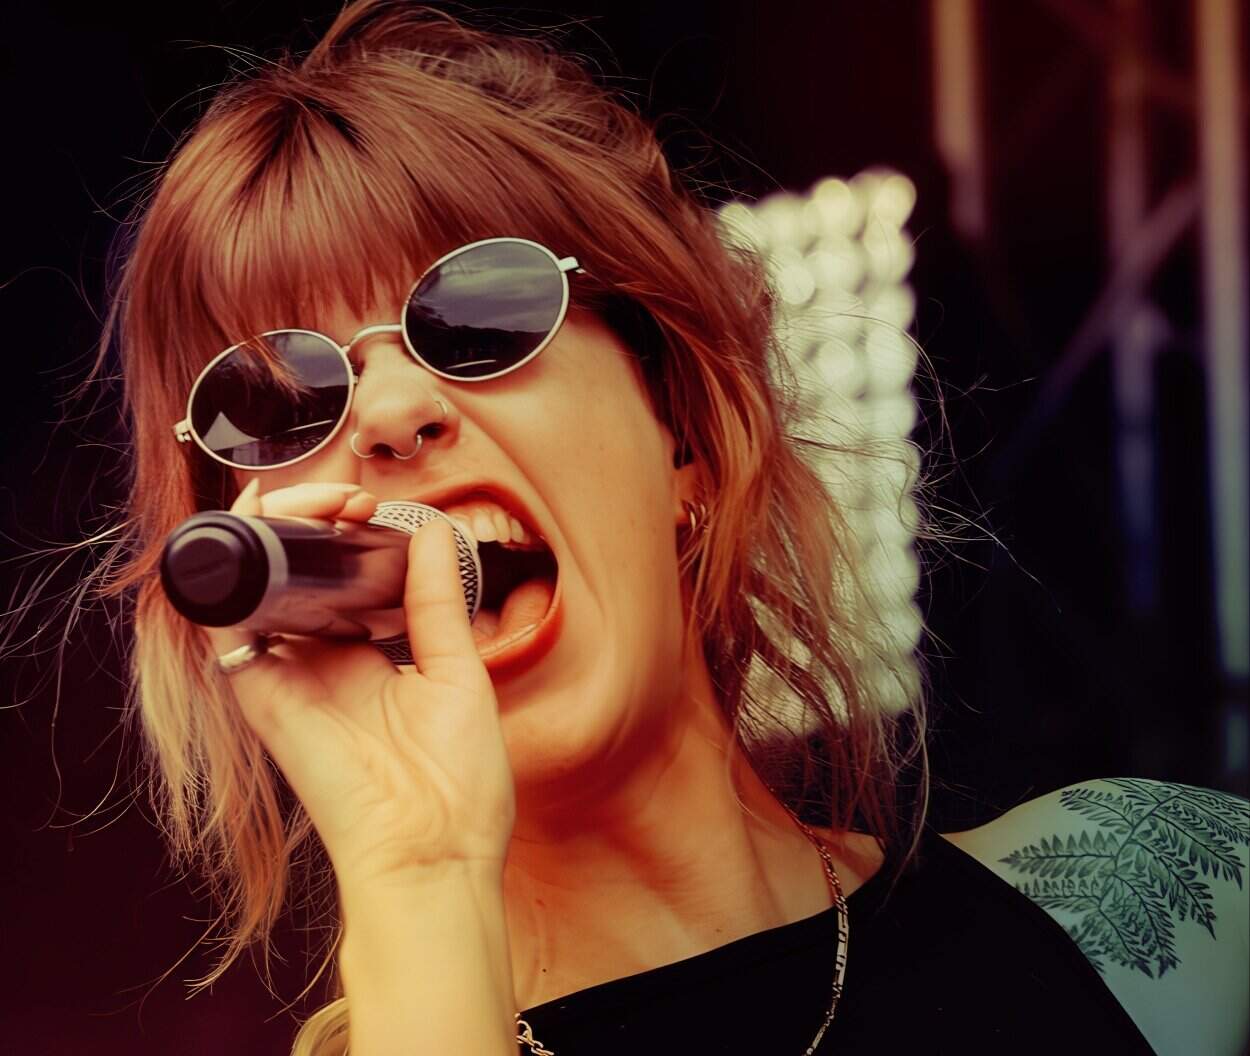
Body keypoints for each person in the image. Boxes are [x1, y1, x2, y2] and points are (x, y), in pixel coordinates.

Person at [67, 2, 1247, 1053]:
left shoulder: (1162, 914)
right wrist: (417, 877)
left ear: (675, 427)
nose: (387, 411)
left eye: (479, 310)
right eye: (275, 399)